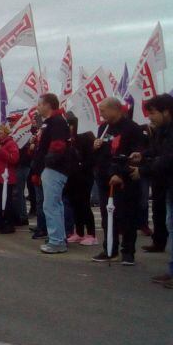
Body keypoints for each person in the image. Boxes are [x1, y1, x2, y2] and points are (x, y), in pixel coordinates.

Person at [91, 97, 145, 265]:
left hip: (124, 179)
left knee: (127, 216)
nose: (101, 113)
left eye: (103, 110)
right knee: (108, 216)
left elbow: (135, 155)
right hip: (104, 178)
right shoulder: (103, 128)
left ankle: (128, 252)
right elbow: (100, 156)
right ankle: (109, 249)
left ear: (115, 109)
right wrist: (96, 146)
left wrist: (121, 173)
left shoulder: (132, 128)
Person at [131, 94, 173, 288]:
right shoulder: (162, 131)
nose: (150, 118)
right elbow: (156, 151)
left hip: (167, 178)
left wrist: (144, 170)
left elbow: (167, 158)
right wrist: (143, 155)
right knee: (169, 224)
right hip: (165, 183)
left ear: (166, 111)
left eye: (153, 113)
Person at [32, 93, 72, 254]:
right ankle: (59, 237)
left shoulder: (57, 122)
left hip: (54, 169)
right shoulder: (51, 122)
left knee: (51, 205)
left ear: (48, 105)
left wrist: (47, 163)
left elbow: (58, 146)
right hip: (51, 168)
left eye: (40, 104)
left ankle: (56, 241)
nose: (38, 107)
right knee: (56, 204)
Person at [64, 113, 97, 245]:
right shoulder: (69, 139)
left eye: (70, 125)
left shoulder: (85, 137)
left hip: (84, 176)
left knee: (84, 204)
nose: (69, 128)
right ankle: (79, 232)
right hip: (71, 177)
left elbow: (91, 159)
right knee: (74, 204)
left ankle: (91, 234)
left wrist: (81, 166)